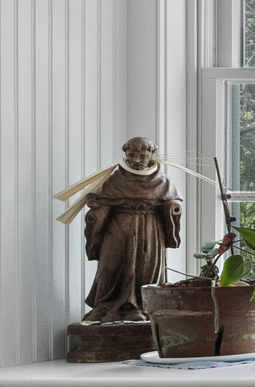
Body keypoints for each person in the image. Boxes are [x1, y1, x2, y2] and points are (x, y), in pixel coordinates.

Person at [75, 138, 182, 323]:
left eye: (142, 155)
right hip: (119, 226)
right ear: (125, 155)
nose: (137, 160)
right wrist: (95, 209)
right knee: (109, 266)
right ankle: (105, 306)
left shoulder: (162, 181)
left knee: (145, 268)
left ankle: (142, 307)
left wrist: (172, 208)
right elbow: (104, 206)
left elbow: (171, 203)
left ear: (151, 156)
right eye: (132, 155)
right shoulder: (115, 180)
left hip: (150, 229)